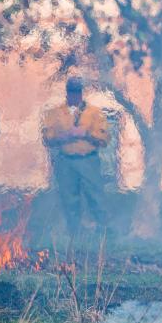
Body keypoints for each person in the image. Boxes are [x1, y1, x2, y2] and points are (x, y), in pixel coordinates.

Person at [42, 75, 110, 236]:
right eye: (71, 91)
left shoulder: (95, 113)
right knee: (69, 199)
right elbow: (47, 138)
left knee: (95, 196)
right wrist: (63, 137)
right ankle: (74, 233)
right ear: (67, 92)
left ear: (81, 93)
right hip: (65, 161)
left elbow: (104, 138)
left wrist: (86, 133)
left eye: (77, 91)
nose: (74, 95)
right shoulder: (55, 113)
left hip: (89, 160)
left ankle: (104, 232)